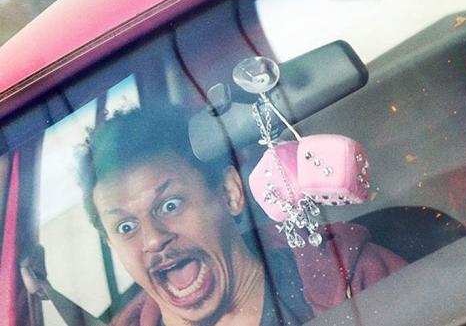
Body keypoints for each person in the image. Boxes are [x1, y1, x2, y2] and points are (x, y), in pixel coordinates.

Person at [67, 107, 403, 326]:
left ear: (229, 193)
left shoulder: (350, 281)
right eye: (126, 226)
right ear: (111, 245)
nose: (154, 238)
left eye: (170, 205)